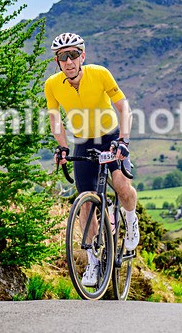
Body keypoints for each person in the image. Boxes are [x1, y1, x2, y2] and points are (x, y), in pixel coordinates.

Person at [45, 32, 139, 287]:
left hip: (110, 137)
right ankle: (92, 262)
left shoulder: (99, 73)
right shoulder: (52, 85)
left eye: (73, 55)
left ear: (82, 56)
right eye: (62, 57)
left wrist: (124, 140)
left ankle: (130, 221)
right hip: (83, 141)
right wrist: (63, 147)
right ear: (57, 61)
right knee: (85, 203)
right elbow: (56, 120)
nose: (68, 61)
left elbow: (123, 107)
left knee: (120, 185)